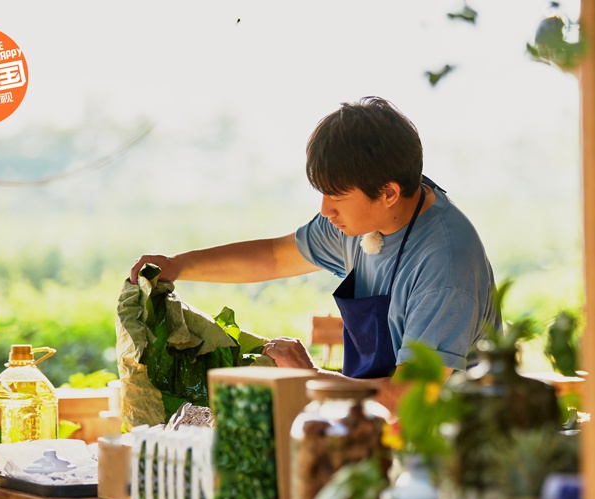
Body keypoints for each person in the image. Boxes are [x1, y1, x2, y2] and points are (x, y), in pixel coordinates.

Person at [130, 97, 501, 411]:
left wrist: (310, 377)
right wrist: (179, 265)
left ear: (388, 192)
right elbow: (276, 256)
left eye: (337, 196)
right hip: (377, 426)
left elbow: (410, 398)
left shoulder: (445, 267)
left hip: (448, 453)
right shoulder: (364, 220)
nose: (325, 210)